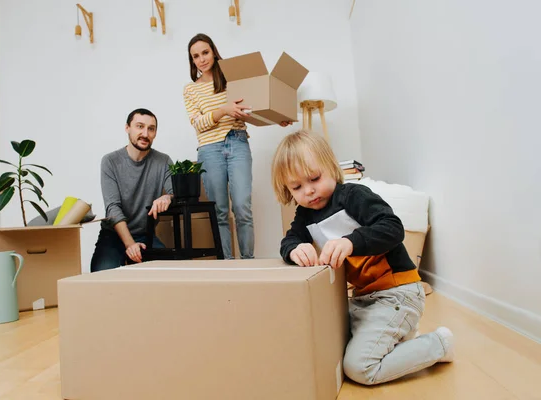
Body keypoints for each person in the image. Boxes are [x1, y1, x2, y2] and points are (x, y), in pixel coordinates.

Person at [271, 130, 455, 386]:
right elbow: (289, 239)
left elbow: (392, 227)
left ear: (330, 167)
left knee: (358, 367)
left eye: (314, 178)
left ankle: (438, 344)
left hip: (398, 292)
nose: (309, 191)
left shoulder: (353, 196)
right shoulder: (305, 214)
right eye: (297, 187)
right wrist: (293, 249)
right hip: (363, 299)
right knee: (323, 333)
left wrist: (350, 242)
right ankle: (401, 337)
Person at [183, 33, 291, 260]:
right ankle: (228, 265)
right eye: (196, 56)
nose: (201, 59)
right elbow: (198, 124)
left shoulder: (232, 81)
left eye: (205, 52)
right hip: (209, 149)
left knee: (242, 208)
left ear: (213, 52)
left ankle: (248, 262)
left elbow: (249, 113)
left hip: (237, 141)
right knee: (220, 212)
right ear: (192, 61)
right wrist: (224, 110)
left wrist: (276, 118)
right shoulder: (190, 90)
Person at [90, 108, 173, 272]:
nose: (145, 133)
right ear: (127, 128)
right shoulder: (110, 161)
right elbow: (112, 207)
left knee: (171, 273)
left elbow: (173, 192)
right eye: (139, 126)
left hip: (145, 234)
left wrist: (167, 197)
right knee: (101, 277)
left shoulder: (163, 161)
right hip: (113, 234)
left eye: (151, 129)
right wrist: (130, 244)